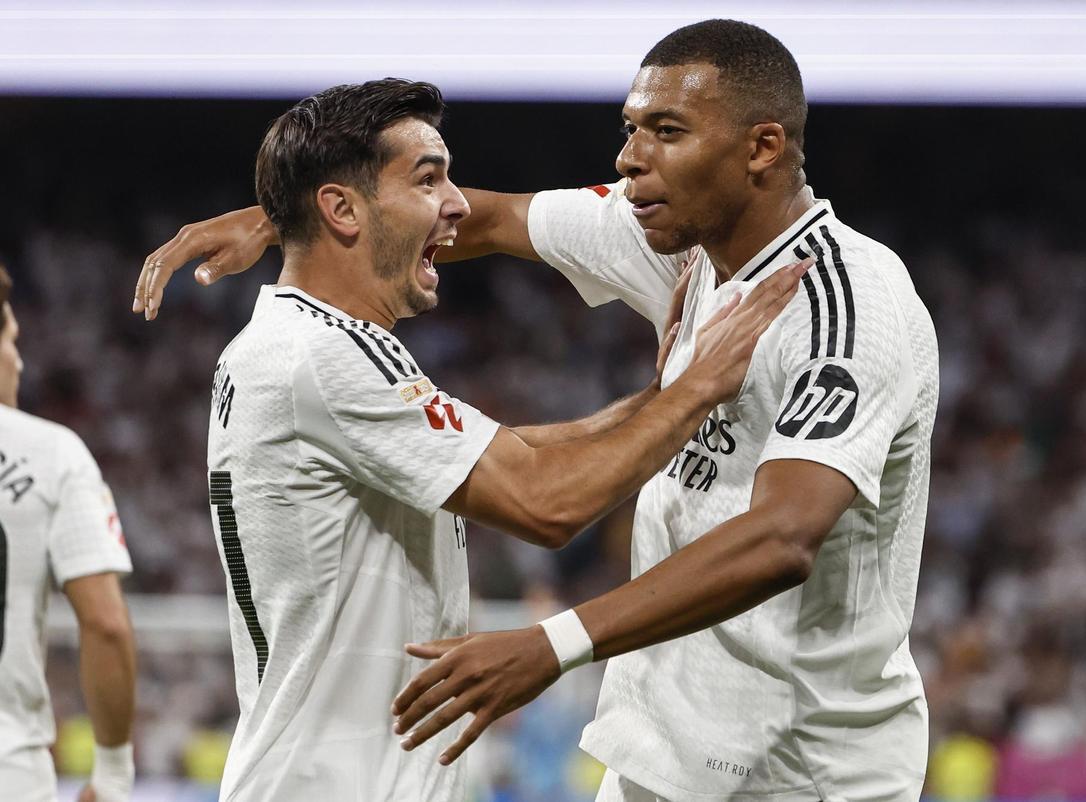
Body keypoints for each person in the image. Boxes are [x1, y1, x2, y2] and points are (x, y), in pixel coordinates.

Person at [135, 19, 937, 802]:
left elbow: (783, 536)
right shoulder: (678, 241)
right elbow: (487, 219)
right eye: (630, 128)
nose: (629, 161)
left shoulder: (844, 304)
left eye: (666, 131)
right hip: (669, 752)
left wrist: (554, 644)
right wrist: (288, 219)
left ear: (761, 148)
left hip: (805, 767)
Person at [0, 263, 137, 802]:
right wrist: (112, 773)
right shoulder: (50, 452)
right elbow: (105, 624)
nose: (19, 360)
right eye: (11, 340)